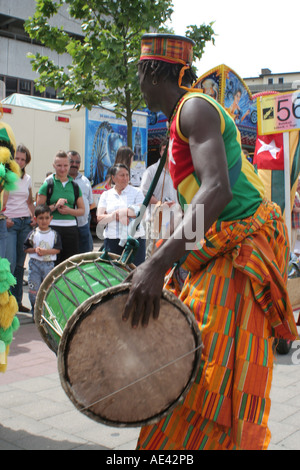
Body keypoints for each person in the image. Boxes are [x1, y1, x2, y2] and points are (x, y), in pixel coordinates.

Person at [122, 33, 299, 450]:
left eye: (139, 74)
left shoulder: (194, 108)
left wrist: (159, 263)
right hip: (222, 251)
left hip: (239, 257)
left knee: (210, 376)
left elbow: (216, 190)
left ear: (151, 71)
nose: (138, 85)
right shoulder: (183, 115)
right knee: (196, 374)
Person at [37, 151, 85, 264]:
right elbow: (38, 210)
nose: (62, 169)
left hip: (71, 230)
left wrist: (69, 211)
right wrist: (55, 206)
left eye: (65, 165)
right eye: (59, 165)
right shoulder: (48, 184)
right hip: (52, 228)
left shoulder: (74, 185)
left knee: (70, 265)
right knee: (51, 264)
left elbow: (82, 210)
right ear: (54, 166)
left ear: (69, 166)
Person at [4, 144, 35, 313]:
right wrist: (5, 217)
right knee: (9, 263)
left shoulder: (28, 179)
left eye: (23, 159)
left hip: (25, 223)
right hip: (10, 223)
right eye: (17, 158)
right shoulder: (6, 176)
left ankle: (16, 302)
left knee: (20, 265)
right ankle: (6, 304)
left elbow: (29, 201)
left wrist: (34, 217)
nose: (20, 162)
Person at [97, 163, 146, 265]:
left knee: (135, 272)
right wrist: (114, 216)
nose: (125, 178)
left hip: (134, 240)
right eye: (122, 175)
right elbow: (100, 218)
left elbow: (141, 212)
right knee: (113, 274)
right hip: (112, 240)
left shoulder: (137, 192)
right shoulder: (106, 195)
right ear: (113, 178)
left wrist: (122, 212)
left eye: (127, 175)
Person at [140, 137, 180, 257]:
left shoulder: (177, 171)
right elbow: (145, 193)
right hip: (156, 217)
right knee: (153, 254)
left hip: (174, 218)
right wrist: (160, 204)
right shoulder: (151, 171)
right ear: (160, 152)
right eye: (164, 150)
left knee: (170, 254)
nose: (168, 152)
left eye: (170, 149)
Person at [24, 204, 62, 316]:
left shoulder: (54, 234)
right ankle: (35, 311)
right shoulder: (33, 234)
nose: (44, 221)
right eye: (40, 218)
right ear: (35, 219)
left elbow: (58, 250)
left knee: (49, 289)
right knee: (33, 290)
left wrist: (46, 252)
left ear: (51, 218)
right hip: (34, 265)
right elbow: (26, 248)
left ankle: (47, 312)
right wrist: (35, 250)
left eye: (46, 218)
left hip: (49, 266)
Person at [67, 150, 95, 253]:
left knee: (85, 255)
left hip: (83, 225)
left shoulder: (85, 181)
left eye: (77, 162)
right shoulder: (61, 180)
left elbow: (91, 203)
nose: (74, 164)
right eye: (71, 161)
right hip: (66, 226)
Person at [291, 177, 300, 255]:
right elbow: (294, 209)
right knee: (291, 243)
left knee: (293, 243)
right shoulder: (292, 195)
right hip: (292, 224)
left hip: (296, 223)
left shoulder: (296, 195)